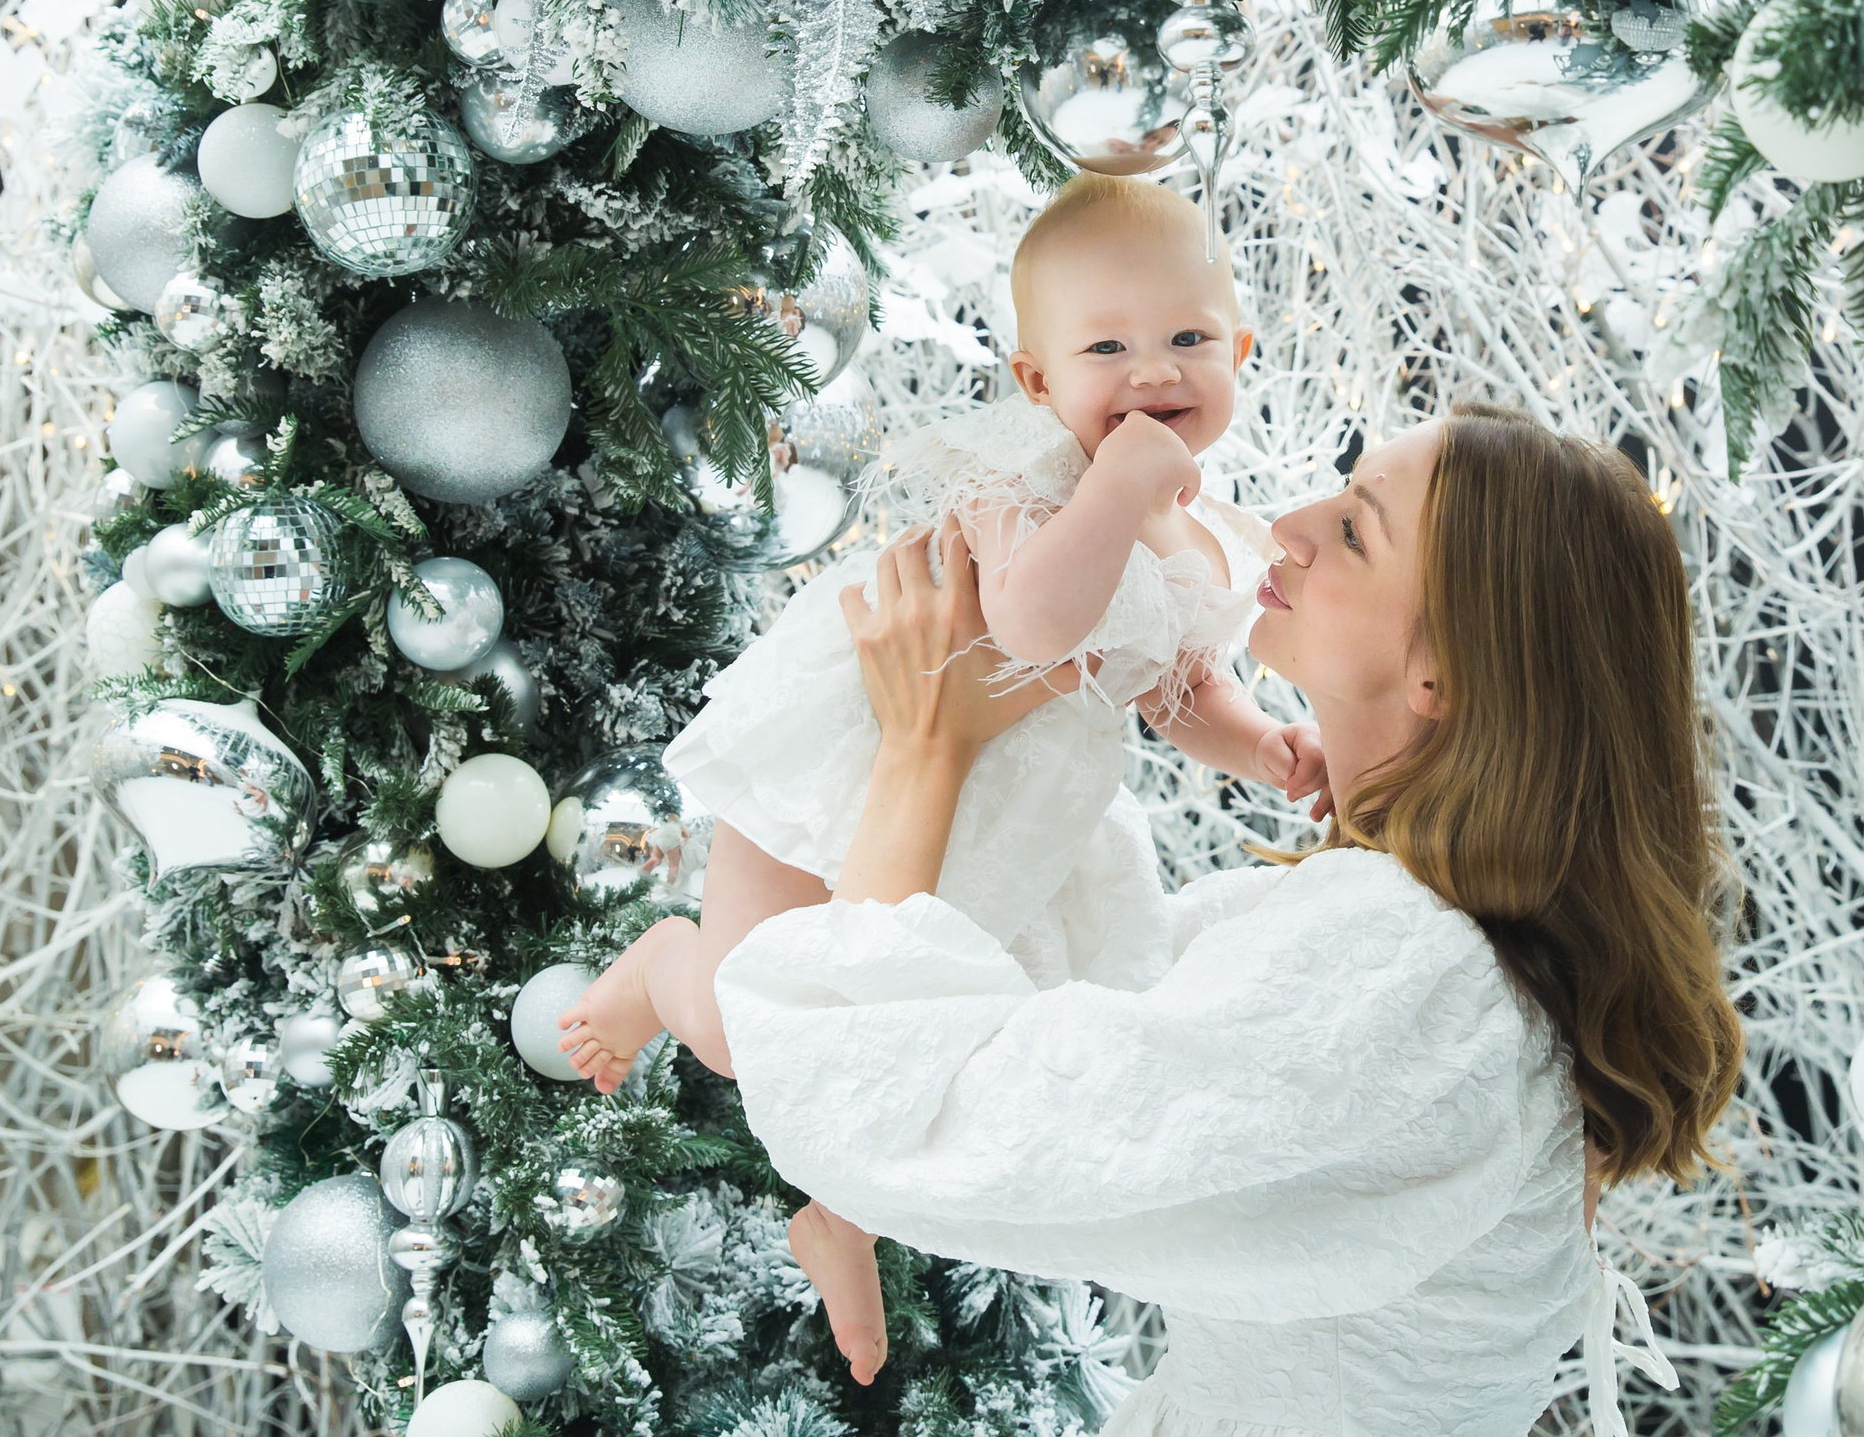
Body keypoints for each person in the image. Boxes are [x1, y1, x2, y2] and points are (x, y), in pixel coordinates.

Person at [712, 405, 1748, 1436]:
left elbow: (886, 1106)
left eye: (1355, 529)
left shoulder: (1405, 974)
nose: (1290, 524)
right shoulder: (1407, 947)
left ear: (1445, 670)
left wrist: (923, 745)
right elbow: (1092, 992)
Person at [556, 174, 1326, 1382]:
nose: (1150, 372)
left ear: (1237, 351)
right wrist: (1118, 489)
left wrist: (1263, 744)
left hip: (1012, 825)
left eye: (1186, 338)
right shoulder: (1024, 472)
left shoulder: (1204, 534)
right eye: (1106, 348)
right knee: (753, 1025)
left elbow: (1175, 684)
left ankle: (842, 1218)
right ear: (1036, 380)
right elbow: (1029, 621)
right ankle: (663, 967)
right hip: (848, 757)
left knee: (907, 1041)